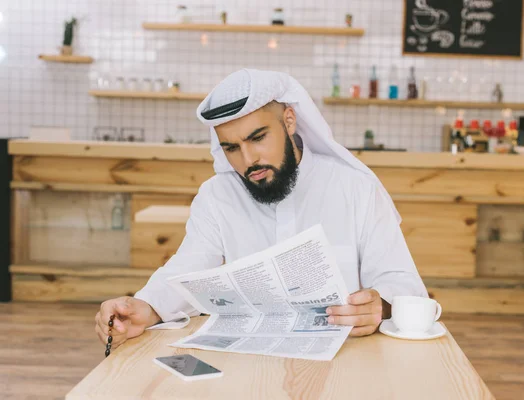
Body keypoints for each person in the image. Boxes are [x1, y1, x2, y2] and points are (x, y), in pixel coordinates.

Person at [95, 69, 427, 351]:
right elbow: (187, 269)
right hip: (247, 365)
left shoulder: (356, 189)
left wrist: (379, 305)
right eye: (231, 147)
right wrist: (144, 307)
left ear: (290, 121)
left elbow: (401, 281)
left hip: (348, 361)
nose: (248, 160)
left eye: (257, 138)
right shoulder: (216, 196)